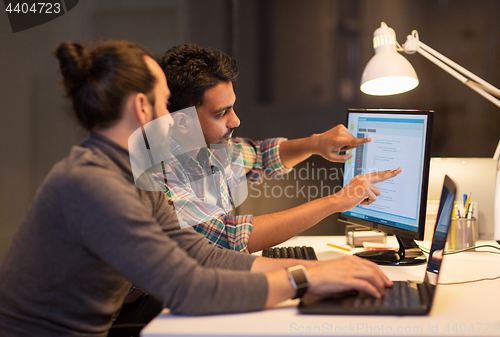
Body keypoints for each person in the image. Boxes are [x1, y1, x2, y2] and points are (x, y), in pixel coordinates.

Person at [0, 40, 397, 336]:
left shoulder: (134, 167)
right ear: (143, 107)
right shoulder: (95, 183)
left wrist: (316, 270)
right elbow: (189, 287)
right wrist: (307, 279)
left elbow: (203, 254)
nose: (171, 112)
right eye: (165, 99)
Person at [156, 44, 400, 253]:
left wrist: (316, 144)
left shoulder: (205, 148)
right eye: (221, 114)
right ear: (183, 122)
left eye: (232, 107)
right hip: (153, 304)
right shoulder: (163, 174)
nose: (235, 121)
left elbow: (261, 156)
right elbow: (228, 238)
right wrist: (337, 201)